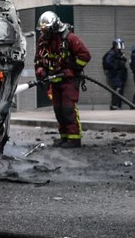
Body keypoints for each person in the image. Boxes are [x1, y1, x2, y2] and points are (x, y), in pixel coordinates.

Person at [34, 10, 92, 148]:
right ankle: (65, 137)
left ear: (54, 27)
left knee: (68, 109)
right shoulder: (43, 41)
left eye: (46, 30)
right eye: (42, 30)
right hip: (54, 81)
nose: (44, 33)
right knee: (58, 110)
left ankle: (74, 138)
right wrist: (41, 69)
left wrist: (72, 70)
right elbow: (38, 58)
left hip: (68, 81)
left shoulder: (69, 38)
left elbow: (85, 56)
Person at [102, 38, 128, 110]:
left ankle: (118, 105)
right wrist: (115, 67)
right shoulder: (112, 52)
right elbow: (108, 61)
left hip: (120, 74)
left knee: (119, 88)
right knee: (117, 88)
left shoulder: (119, 52)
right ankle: (114, 105)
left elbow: (122, 60)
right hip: (114, 74)